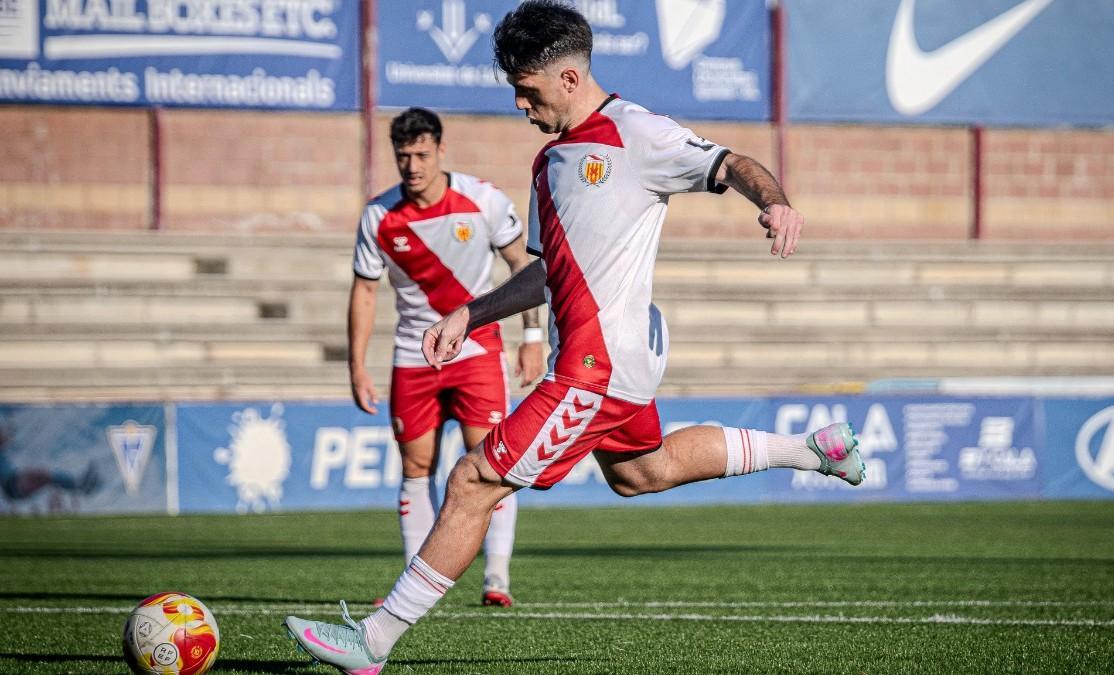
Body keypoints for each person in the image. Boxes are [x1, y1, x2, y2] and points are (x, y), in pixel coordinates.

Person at [285, 3, 864, 671]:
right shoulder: (547, 164)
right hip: (601, 365)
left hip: (597, 367)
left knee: (471, 479)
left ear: (567, 78)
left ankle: (372, 642)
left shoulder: (637, 132)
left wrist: (776, 203)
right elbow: (545, 275)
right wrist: (471, 314)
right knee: (643, 472)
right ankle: (812, 450)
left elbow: (733, 164)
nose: (520, 105)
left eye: (527, 91)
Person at [348, 108, 544, 608]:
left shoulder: (482, 200)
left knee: (492, 463)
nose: (412, 166)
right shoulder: (379, 215)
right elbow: (365, 292)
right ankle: (413, 586)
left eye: (421, 154)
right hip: (413, 357)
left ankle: (496, 578)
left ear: (440, 149)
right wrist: (357, 366)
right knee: (416, 467)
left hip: (476, 351)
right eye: (403, 156)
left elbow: (523, 265)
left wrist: (532, 337)